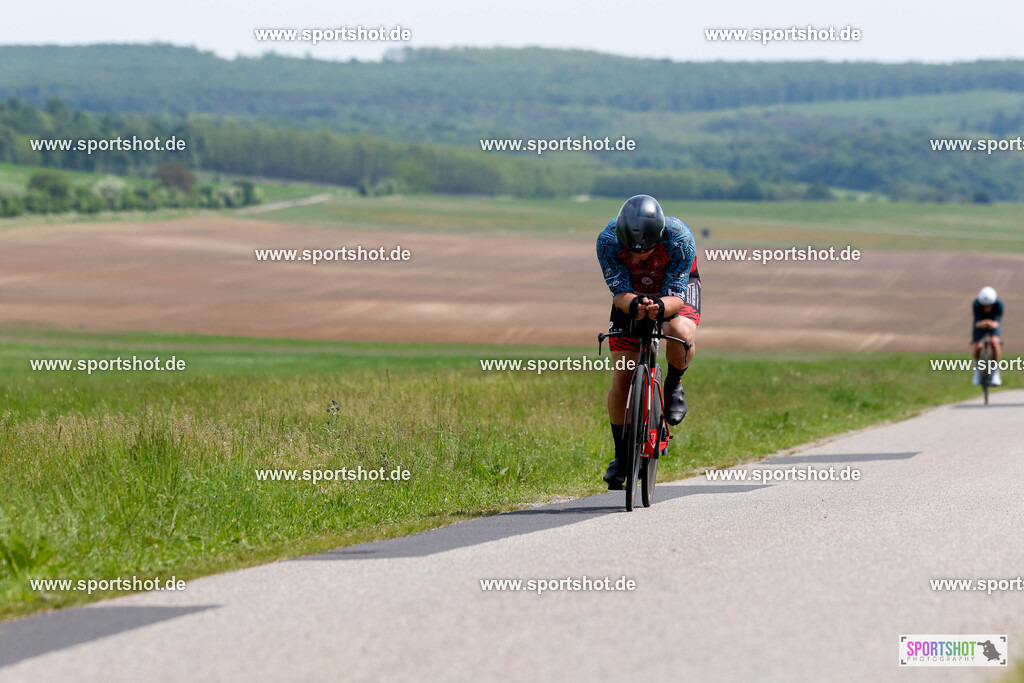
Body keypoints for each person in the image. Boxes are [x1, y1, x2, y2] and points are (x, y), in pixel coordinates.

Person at [596, 195, 699, 489]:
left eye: (647, 250)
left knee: (679, 332)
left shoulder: (680, 238)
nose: (640, 256)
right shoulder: (607, 241)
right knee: (624, 374)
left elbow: (677, 296)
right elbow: (618, 291)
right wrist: (636, 306)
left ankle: (674, 381)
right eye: (633, 251)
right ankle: (621, 454)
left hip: (674, 289)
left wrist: (661, 308)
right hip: (631, 293)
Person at [972, 286, 1004, 386]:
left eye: (989, 305)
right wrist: (982, 324)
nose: (986, 308)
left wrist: (991, 324)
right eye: (984, 306)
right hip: (980, 323)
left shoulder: (999, 305)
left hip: (993, 323)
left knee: (995, 344)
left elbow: (997, 322)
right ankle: (977, 372)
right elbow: (977, 323)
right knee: (978, 346)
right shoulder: (976, 304)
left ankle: (995, 373)